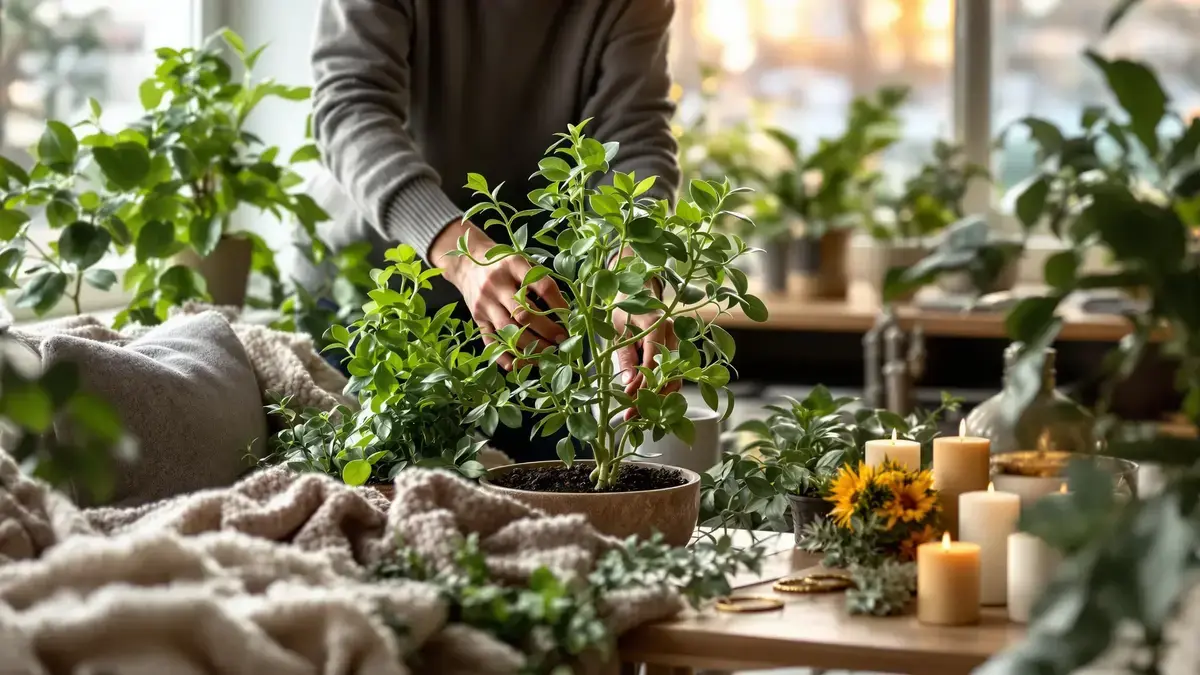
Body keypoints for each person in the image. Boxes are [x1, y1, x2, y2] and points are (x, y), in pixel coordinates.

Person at [304, 0, 683, 462]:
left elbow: (635, 136)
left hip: (531, 309)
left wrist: (630, 268)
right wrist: (462, 254)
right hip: (375, 297)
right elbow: (349, 106)